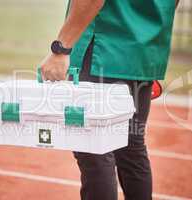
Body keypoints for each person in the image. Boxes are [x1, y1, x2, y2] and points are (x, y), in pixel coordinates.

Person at [40, 0, 180, 199]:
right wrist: (146, 34)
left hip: (104, 48)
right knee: (131, 147)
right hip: (144, 50)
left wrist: (61, 48)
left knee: (93, 148)